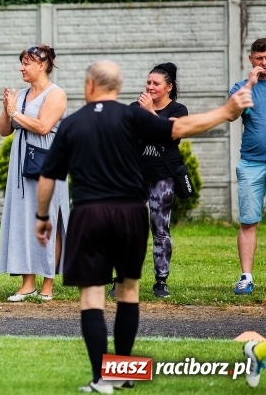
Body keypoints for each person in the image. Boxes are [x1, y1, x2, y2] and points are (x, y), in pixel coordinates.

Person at [35, 60, 252, 394]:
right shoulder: (133, 116)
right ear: (118, 87)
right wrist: (225, 112)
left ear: (89, 85)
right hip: (130, 214)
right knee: (128, 293)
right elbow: (180, 128)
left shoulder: (72, 124)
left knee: (92, 298)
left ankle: (101, 379)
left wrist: (42, 218)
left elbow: (48, 177)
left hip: (89, 215)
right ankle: (121, 373)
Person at [0, 45, 69, 301]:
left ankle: (48, 283)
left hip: (47, 161)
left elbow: (43, 127)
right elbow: (5, 130)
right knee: (24, 220)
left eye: (26, 63)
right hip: (21, 163)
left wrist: (15, 112)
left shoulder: (56, 94)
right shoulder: (21, 94)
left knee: (48, 218)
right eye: (22, 63)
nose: (22, 68)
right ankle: (27, 283)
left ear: (42, 65)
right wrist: (7, 108)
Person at [124, 62, 187, 299]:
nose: (150, 87)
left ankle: (161, 281)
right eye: (148, 82)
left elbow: (172, 134)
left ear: (169, 87)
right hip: (135, 176)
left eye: (156, 83)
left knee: (160, 229)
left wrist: (150, 112)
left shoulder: (178, 109)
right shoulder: (134, 107)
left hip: (163, 176)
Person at [230, 37, 266, 295]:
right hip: (252, 163)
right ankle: (246, 277)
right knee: (248, 222)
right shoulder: (241, 88)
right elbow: (231, 115)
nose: (264, 62)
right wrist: (250, 84)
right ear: (251, 59)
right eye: (260, 58)